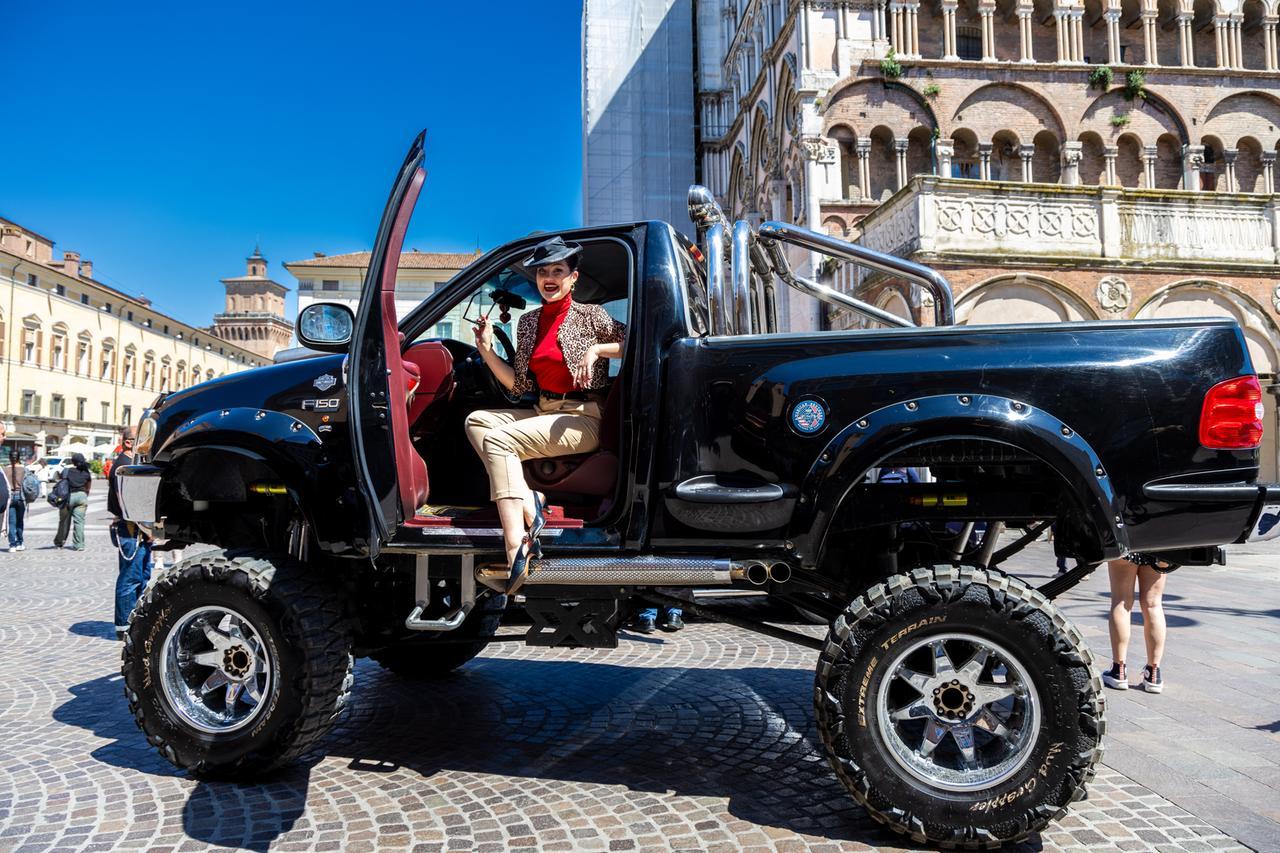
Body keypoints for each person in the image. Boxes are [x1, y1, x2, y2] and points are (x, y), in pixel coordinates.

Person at [466, 236, 625, 592]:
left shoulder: (591, 315)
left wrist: (597, 350)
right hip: (545, 410)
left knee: (499, 440)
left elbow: (639, 341)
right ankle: (529, 498)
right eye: (542, 272)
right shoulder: (528, 323)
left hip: (584, 416)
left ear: (573, 278)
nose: (549, 278)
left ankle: (516, 545)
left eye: (558, 271)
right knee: (477, 421)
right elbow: (519, 384)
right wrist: (487, 350)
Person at [1103, 554, 1172, 693]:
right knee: (1154, 605)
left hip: (1128, 542)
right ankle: (1153, 673)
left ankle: (1119, 670)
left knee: (1121, 600)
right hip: (1158, 544)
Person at [109, 428, 152, 639]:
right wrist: (145, 527)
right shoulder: (122, 466)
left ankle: (135, 621)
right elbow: (126, 502)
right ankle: (124, 626)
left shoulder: (132, 462)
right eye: (136, 440)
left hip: (138, 528)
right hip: (131, 528)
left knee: (142, 575)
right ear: (127, 442)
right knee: (130, 577)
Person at [54, 453, 92, 551]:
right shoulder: (86, 472)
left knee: (64, 521)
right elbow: (88, 487)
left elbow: (61, 481)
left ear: (72, 462)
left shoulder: (67, 471)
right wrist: (84, 495)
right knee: (79, 522)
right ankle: (79, 545)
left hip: (68, 497)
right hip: (82, 497)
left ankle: (60, 542)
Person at [4, 451, 29, 552]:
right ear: (19, 458)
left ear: (9, 458)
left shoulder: (4, 470)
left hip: (9, 497)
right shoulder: (24, 469)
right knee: (20, 521)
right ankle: (20, 543)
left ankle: (12, 545)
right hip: (21, 497)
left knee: (11, 522)